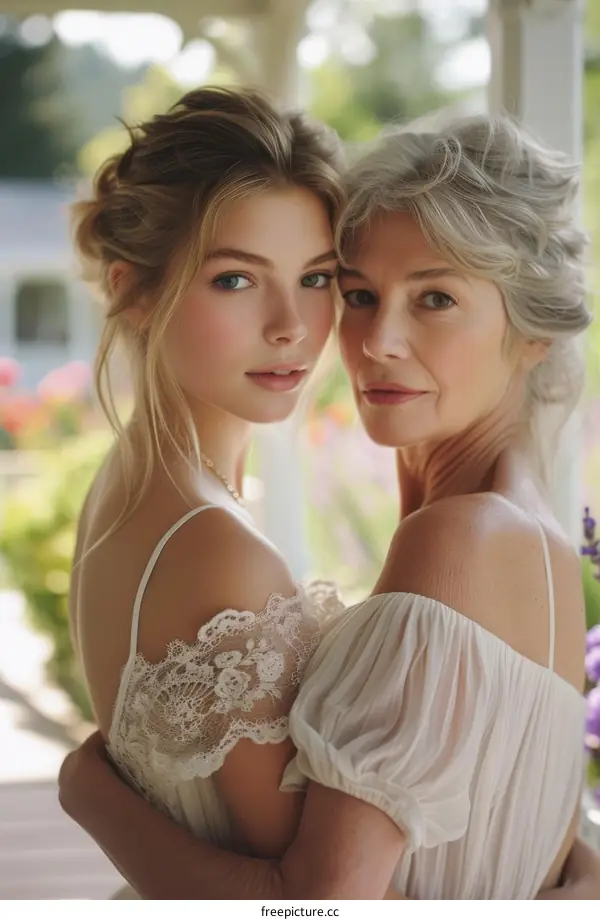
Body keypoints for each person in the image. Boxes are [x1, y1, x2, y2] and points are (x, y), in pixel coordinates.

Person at [61, 107, 598, 898]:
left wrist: (91, 796)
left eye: (436, 298)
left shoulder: (460, 540)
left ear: (534, 331)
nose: (374, 340)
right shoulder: (524, 534)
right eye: (357, 292)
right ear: (131, 290)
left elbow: (321, 905)